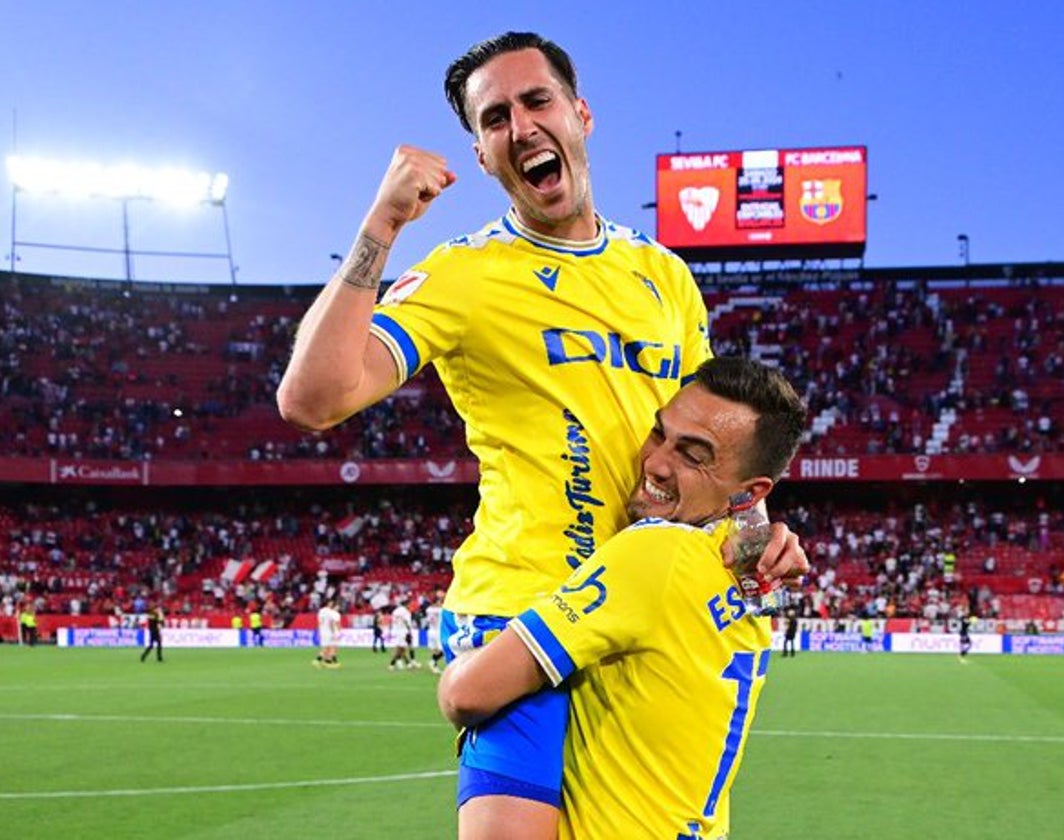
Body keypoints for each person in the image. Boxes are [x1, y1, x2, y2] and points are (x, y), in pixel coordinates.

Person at [276, 31, 808, 837]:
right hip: (520, 611)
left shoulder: (664, 276)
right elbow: (312, 400)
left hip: (639, 620)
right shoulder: (464, 276)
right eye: (495, 119)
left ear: (581, 113)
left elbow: (713, 445)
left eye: (536, 101)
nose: (520, 127)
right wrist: (383, 224)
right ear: (483, 157)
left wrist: (757, 530)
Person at [439, 357, 807, 838]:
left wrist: (462, 649)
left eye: (693, 455)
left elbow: (466, 695)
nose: (655, 462)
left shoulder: (656, 551)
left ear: (751, 490)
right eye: (659, 433)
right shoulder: (752, 580)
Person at [314, 597, 342, 669]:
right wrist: (334, 632)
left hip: (322, 630)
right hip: (328, 631)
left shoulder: (321, 611)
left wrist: (319, 631)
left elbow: (320, 622)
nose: (332, 604)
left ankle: (324, 661)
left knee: (326, 647)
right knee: (329, 647)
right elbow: (331, 623)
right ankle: (321, 661)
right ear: (329, 603)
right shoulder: (330, 612)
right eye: (331, 602)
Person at [388, 601, 415, 671]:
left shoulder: (395, 611)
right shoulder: (406, 612)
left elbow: (392, 621)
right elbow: (407, 623)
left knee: (402, 648)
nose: (410, 606)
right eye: (409, 605)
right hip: (403, 631)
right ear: (406, 604)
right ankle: (392, 664)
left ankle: (408, 663)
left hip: (396, 630)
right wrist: (410, 632)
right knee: (400, 648)